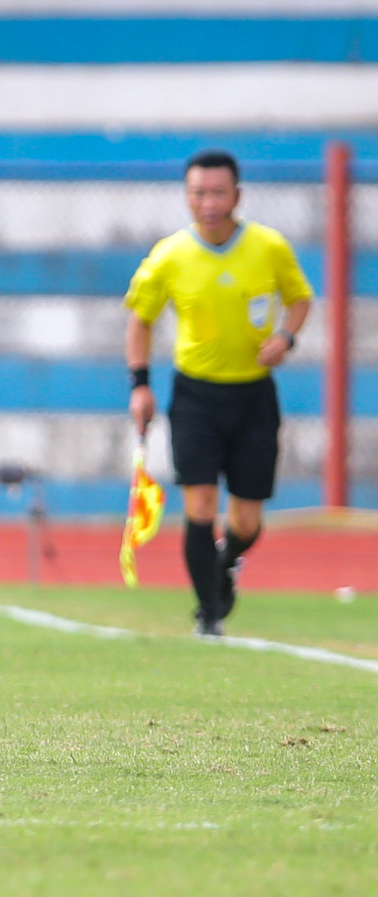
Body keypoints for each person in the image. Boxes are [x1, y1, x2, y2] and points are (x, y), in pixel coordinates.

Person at [124, 149, 314, 636]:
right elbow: (140, 320)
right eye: (198, 193)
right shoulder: (170, 254)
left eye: (217, 192)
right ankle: (208, 615)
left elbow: (299, 299)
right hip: (195, 397)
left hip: (254, 396)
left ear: (237, 196)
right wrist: (140, 387)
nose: (208, 202)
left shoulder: (269, 247)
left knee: (246, 521)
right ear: (187, 197)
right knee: (200, 507)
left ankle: (226, 562)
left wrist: (287, 337)